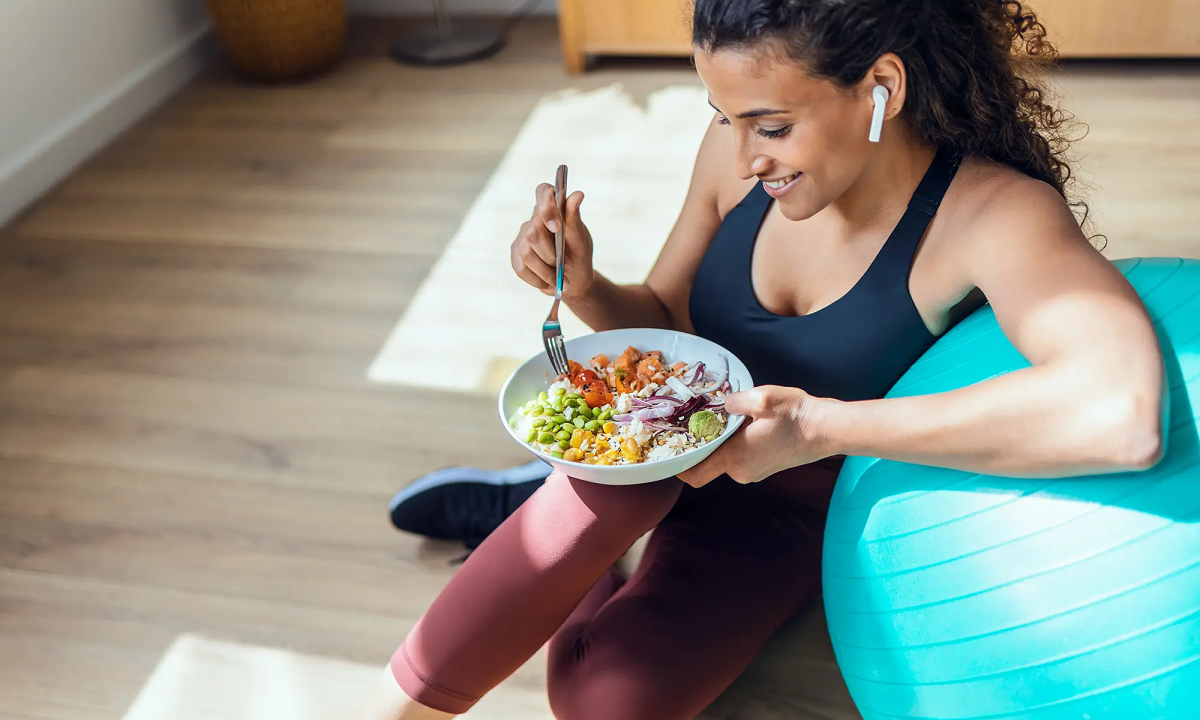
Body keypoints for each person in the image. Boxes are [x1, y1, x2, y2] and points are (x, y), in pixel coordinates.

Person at [358, 1, 1165, 718]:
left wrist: (817, 427)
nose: (743, 158)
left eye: (770, 126)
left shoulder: (994, 216)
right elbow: (667, 321)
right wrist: (586, 284)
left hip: (790, 509)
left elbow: (1122, 418)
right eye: (724, 117)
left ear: (881, 84)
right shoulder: (734, 159)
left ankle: (540, 516)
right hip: (656, 455)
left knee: (600, 699)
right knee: (617, 501)